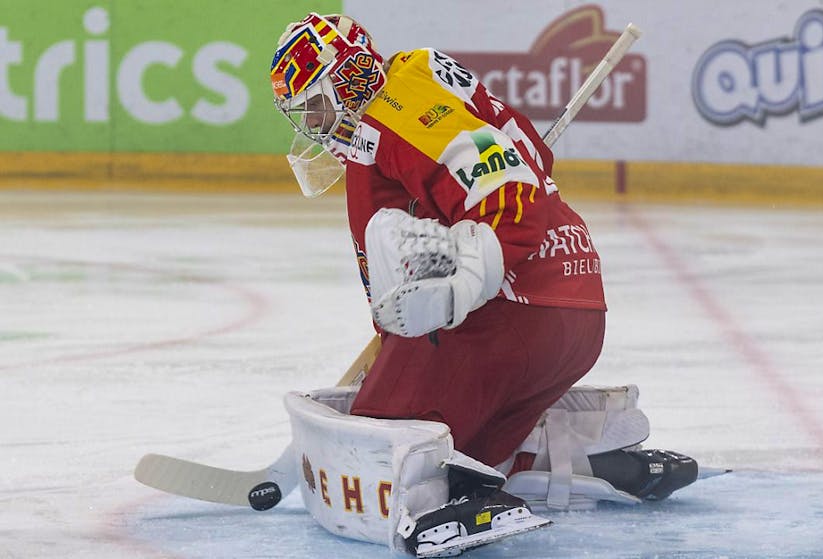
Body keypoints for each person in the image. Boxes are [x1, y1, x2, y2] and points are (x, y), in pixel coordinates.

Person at [270, 12, 697, 555]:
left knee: (383, 442)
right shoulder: (421, 81)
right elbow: (532, 160)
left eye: (315, 102)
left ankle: (440, 500)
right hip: (572, 312)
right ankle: (564, 457)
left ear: (349, 77)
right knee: (467, 442)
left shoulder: (389, 112)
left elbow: (510, 198)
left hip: (510, 318)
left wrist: (456, 287)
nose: (312, 121)